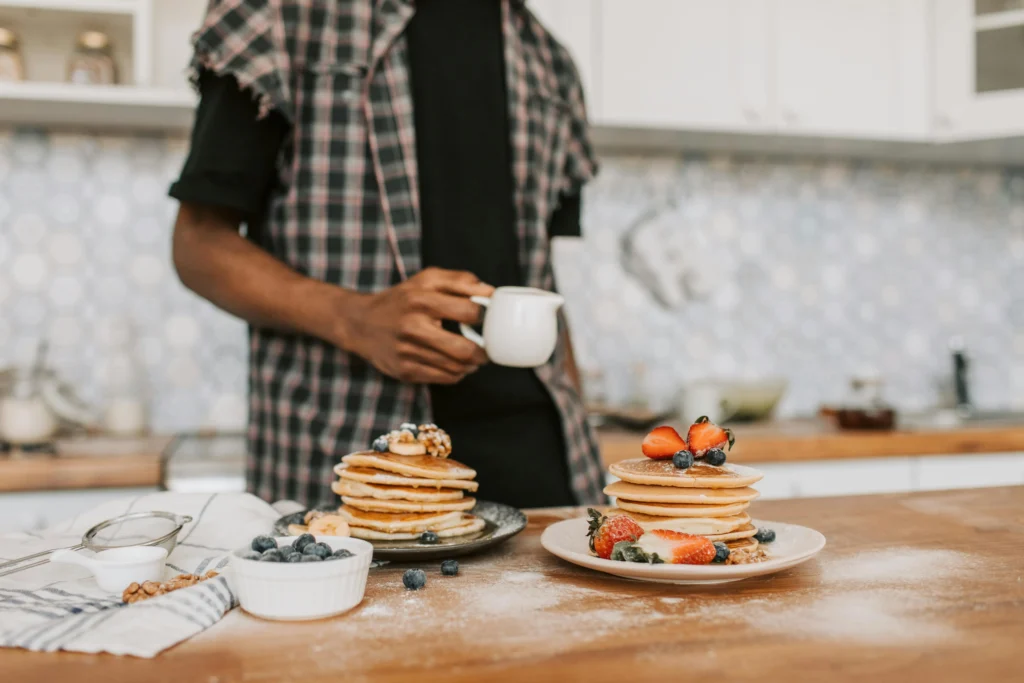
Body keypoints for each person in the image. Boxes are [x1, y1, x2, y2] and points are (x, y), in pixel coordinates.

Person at [169, 0, 604, 509]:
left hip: (540, 461)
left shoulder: (550, 63)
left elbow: (541, 279)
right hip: (351, 459)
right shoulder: (278, 17)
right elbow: (198, 244)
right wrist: (355, 318)